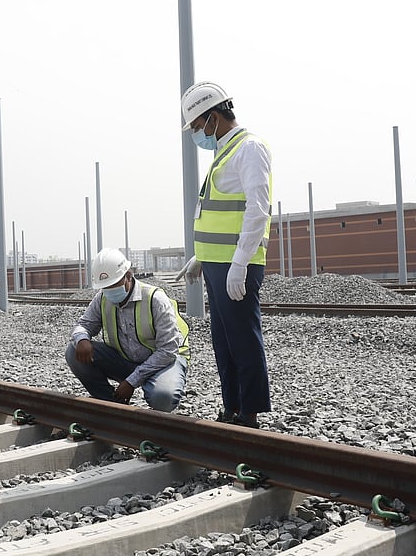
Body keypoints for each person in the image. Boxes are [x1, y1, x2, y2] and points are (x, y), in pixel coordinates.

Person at [178, 81, 272, 428]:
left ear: (214, 117)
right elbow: (218, 213)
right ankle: (231, 407)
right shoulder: (226, 152)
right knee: (224, 341)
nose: (199, 134)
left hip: (237, 265)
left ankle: (250, 413)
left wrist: (239, 263)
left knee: (243, 340)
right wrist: (201, 257)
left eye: (200, 126)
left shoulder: (249, 149)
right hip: (217, 265)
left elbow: (257, 210)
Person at [66, 247, 189, 411]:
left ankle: (158, 416)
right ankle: (112, 404)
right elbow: (84, 324)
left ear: (128, 276)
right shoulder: (102, 297)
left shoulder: (155, 299)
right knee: (74, 351)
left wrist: (132, 381)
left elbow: (168, 350)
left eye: (113, 284)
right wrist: (82, 338)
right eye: (105, 287)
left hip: (164, 361)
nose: (109, 291)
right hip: (126, 359)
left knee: (163, 397)